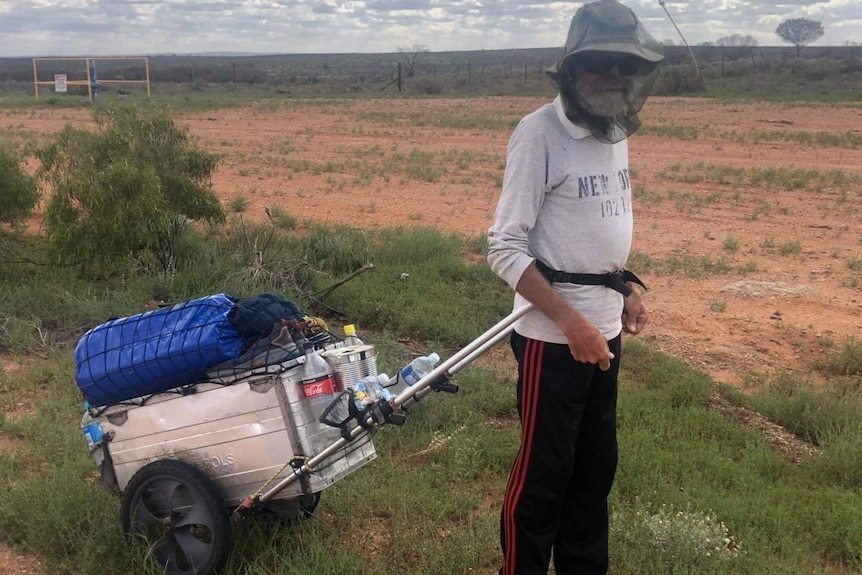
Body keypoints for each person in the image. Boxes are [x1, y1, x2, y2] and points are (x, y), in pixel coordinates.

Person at [486, 1, 663, 573]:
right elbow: (504, 249)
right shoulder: (537, 134)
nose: (614, 77)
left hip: (606, 332)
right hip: (552, 343)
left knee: (592, 478)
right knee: (542, 483)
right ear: (570, 69)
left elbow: (595, 230)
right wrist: (570, 322)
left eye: (626, 67)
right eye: (600, 63)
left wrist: (625, 287)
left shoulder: (613, 128)